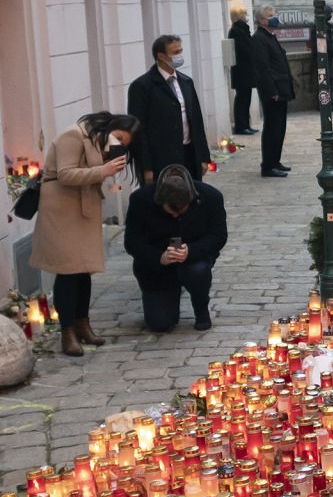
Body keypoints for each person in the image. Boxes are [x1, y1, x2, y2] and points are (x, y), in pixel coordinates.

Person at [31, 112, 136, 356]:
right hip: (63, 210)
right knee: (68, 270)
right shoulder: (73, 135)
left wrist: (109, 163)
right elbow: (66, 174)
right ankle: (67, 332)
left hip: (84, 208)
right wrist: (104, 170)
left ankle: (83, 324)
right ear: (110, 127)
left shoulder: (97, 142)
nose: (119, 143)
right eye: (119, 137)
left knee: (84, 269)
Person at [126, 164, 228, 333]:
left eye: (180, 213)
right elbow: (132, 242)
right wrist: (159, 257)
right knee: (160, 323)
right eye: (170, 214)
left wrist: (192, 251)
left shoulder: (210, 197)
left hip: (194, 261)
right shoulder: (141, 200)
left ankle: (200, 306)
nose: (175, 217)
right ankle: (167, 297)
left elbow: (218, 236)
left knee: (197, 270)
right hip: (157, 267)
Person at [125, 34, 210, 181]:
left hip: (189, 153)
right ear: (161, 56)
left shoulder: (186, 82)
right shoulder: (142, 87)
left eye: (180, 51)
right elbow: (139, 130)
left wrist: (203, 156)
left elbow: (196, 121)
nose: (180, 56)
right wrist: (146, 167)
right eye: (175, 53)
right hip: (161, 159)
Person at [249, 8, 298, 177]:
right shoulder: (259, 39)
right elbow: (263, 68)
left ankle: (275, 161)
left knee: (280, 128)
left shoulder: (270, 36)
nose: (275, 18)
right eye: (271, 16)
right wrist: (272, 90)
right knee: (272, 128)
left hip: (281, 87)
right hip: (273, 91)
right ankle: (268, 165)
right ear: (262, 20)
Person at [226, 6, 257, 136]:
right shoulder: (237, 30)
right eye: (244, 13)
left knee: (245, 98)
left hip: (245, 70)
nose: (247, 16)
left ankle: (246, 124)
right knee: (242, 100)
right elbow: (245, 49)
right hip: (242, 71)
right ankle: (241, 126)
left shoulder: (241, 29)